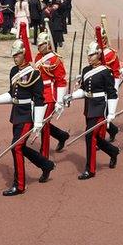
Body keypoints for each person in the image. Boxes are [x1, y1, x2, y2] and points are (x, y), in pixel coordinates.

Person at [0, 34, 54, 195]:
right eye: (14, 55)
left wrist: (37, 123)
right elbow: (12, 94)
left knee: (16, 147)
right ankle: (45, 164)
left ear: (24, 54)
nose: (15, 58)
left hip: (28, 116)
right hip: (16, 114)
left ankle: (20, 185)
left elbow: (39, 100)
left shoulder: (34, 73)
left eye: (18, 54)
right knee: (20, 147)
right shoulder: (14, 71)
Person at [63, 40, 119, 178]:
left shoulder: (106, 72)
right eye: (88, 55)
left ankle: (90, 169)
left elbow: (112, 93)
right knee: (97, 138)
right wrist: (72, 96)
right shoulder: (86, 70)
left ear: (99, 55)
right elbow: (84, 90)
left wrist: (111, 112)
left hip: (100, 106)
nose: (89, 57)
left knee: (90, 136)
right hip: (89, 106)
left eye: (92, 55)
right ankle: (112, 151)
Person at [34, 29, 69, 157]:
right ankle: (61, 135)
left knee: (43, 123)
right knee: (40, 120)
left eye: (41, 45)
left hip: (50, 94)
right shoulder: (38, 57)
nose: (39, 47)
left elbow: (61, 81)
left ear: (48, 44)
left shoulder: (55, 60)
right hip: (39, 93)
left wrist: (59, 100)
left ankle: (44, 153)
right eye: (38, 45)